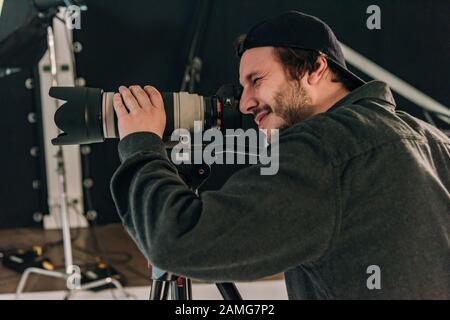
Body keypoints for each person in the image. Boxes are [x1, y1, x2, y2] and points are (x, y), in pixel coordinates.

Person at [110, 11, 450, 299]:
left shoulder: (322, 149)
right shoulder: (431, 140)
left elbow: (174, 242)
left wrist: (141, 141)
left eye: (256, 80)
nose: (245, 103)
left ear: (314, 69)